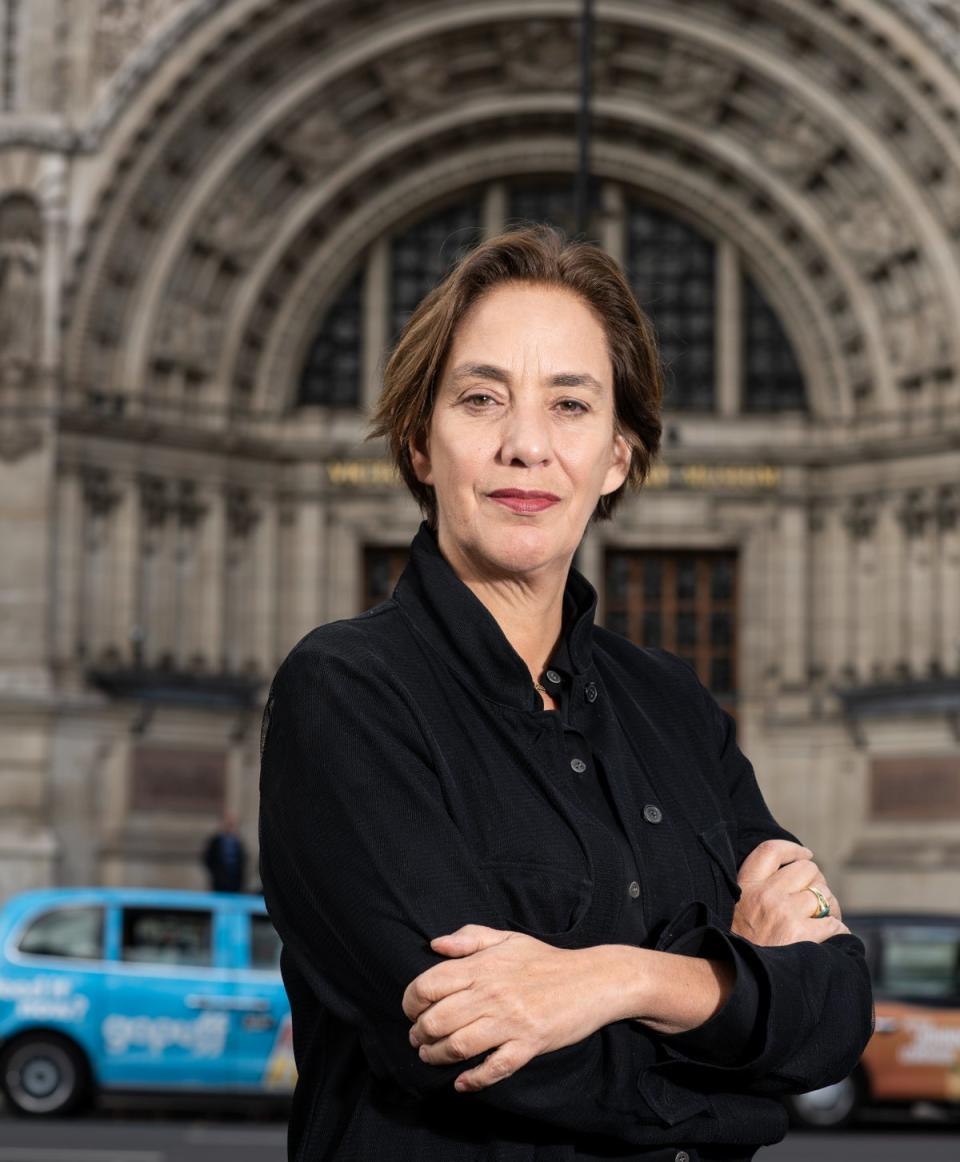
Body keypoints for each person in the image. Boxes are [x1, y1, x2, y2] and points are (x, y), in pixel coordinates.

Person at [259, 226, 873, 1161]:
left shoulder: (672, 705)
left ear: (618, 456)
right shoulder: (346, 694)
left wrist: (616, 981)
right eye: (480, 399)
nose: (526, 446)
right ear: (421, 444)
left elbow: (834, 1010)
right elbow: (480, 1053)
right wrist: (743, 1065)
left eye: (572, 405)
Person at [202, 809, 247, 893]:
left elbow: (242, 861)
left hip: (235, 884)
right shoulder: (216, 841)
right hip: (219, 883)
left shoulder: (237, 842)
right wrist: (216, 873)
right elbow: (207, 858)